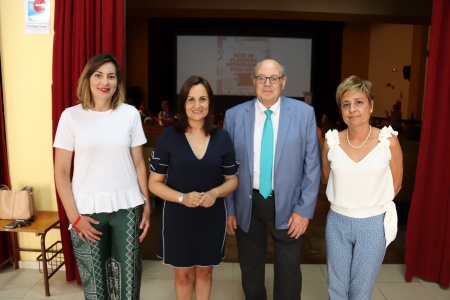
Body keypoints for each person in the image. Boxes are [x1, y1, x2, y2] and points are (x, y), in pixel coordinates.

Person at [53, 53, 150, 300]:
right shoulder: (70, 116)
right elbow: (61, 172)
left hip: (128, 208)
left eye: (111, 76)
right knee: (96, 289)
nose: (104, 82)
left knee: (128, 287)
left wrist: (147, 206)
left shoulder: (129, 114)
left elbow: (139, 163)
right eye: (98, 75)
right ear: (88, 79)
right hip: (86, 211)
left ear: (117, 82)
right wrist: (74, 218)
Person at [223, 59, 322, 300]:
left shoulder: (304, 113)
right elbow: (227, 168)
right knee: (250, 269)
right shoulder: (234, 116)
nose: (267, 83)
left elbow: (313, 166)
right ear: (254, 81)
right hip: (248, 203)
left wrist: (304, 210)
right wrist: (230, 209)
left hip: (289, 205)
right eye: (261, 78)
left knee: (288, 271)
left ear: (283, 82)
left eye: (274, 78)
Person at [148, 75, 239, 300]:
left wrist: (215, 193)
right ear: (183, 103)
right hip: (178, 218)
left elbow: (233, 180)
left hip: (211, 217)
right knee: (182, 276)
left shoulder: (222, 138)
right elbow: (154, 183)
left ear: (210, 103)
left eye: (202, 99)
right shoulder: (169, 137)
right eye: (191, 100)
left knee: (205, 273)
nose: (197, 106)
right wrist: (181, 198)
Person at [322, 75, 403, 300]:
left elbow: (396, 184)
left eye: (359, 102)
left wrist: (367, 202)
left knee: (361, 290)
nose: (352, 109)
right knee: (336, 288)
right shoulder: (332, 141)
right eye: (346, 104)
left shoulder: (388, 141)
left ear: (371, 105)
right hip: (337, 221)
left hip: (372, 224)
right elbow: (326, 178)